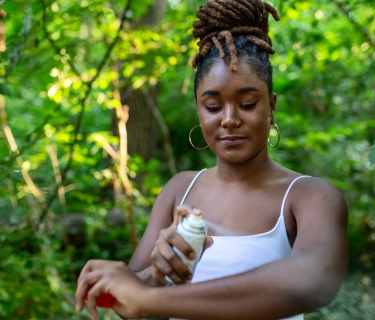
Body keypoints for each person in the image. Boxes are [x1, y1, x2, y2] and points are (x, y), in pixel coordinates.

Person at [75, 1, 349, 319]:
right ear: (198, 109)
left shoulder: (309, 196)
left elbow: (315, 280)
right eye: (214, 107)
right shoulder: (180, 189)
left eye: (247, 103)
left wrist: (150, 299)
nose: (229, 119)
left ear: (271, 106)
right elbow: (130, 300)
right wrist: (155, 276)